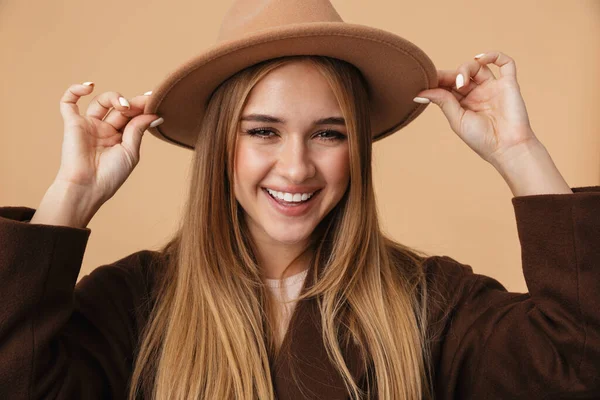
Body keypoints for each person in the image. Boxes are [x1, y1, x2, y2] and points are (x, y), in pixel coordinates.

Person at [1, 0, 599, 399]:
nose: (296, 166)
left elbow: (578, 364)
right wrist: (72, 196)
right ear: (220, 148)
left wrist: (519, 151)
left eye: (328, 133)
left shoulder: (428, 302)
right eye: (263, 130)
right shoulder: (134, 303)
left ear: (356, 149)